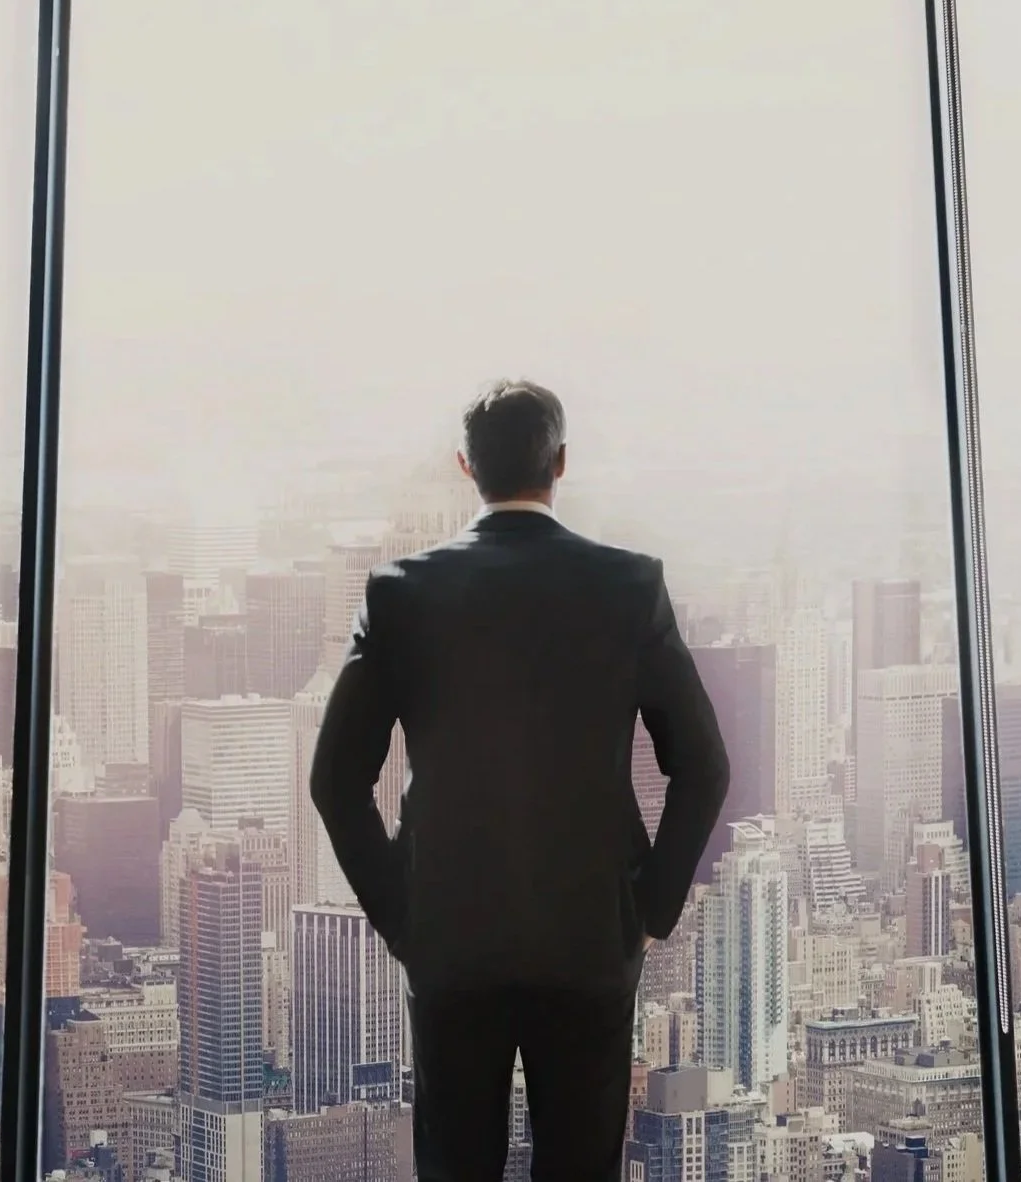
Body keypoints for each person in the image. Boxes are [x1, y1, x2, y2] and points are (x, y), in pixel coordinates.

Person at [309, 377, 730, 1182]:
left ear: (465, 466)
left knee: (457, 1165)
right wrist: (647, 910)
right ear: (561, 463)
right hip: (588, 941)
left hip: (451, 939)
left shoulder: (402, 594)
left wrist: (403, 915)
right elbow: (704, 766)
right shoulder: (628, 586)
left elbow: (336, 779)